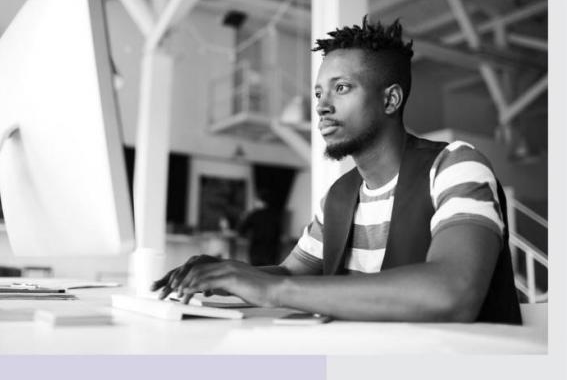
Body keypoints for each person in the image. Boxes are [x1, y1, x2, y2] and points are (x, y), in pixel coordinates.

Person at [152, 16, 522, 323]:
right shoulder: (339, 196)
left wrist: (271, 290)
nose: (322, 107)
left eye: (341, 88)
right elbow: (290, 275)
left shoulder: (454, 166)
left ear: (391, 99)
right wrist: (226, 275)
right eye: (318, 94)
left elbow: (452, 292)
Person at [237, 191, 283, 266]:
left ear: (260, 201)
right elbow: (279, 233)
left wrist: (243, 218)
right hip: (272, 251)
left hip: (256, 251)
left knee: (256, 274)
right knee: (270, 274)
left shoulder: (254, 214)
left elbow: (241, 231)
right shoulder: (275, 215)